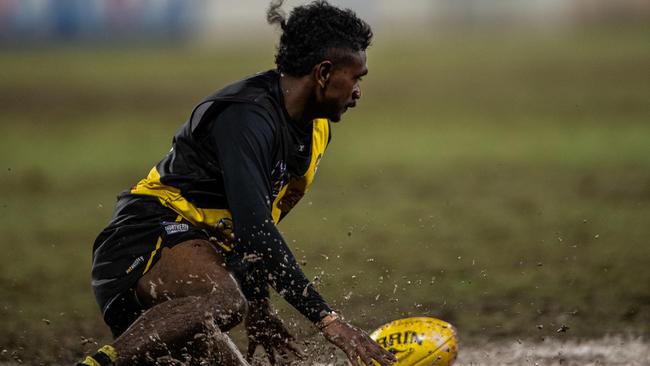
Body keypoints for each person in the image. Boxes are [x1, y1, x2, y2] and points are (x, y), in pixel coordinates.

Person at [78, 1, 397, 365]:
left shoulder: (317, 128)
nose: (358, 91)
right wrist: (328, 320)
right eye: (356, 77)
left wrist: (259, 307)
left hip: (188, 281)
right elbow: (254, 230)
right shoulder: (247, 118)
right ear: (324, 73)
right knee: (226, 301)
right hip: (143, 239)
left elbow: (254, 221)